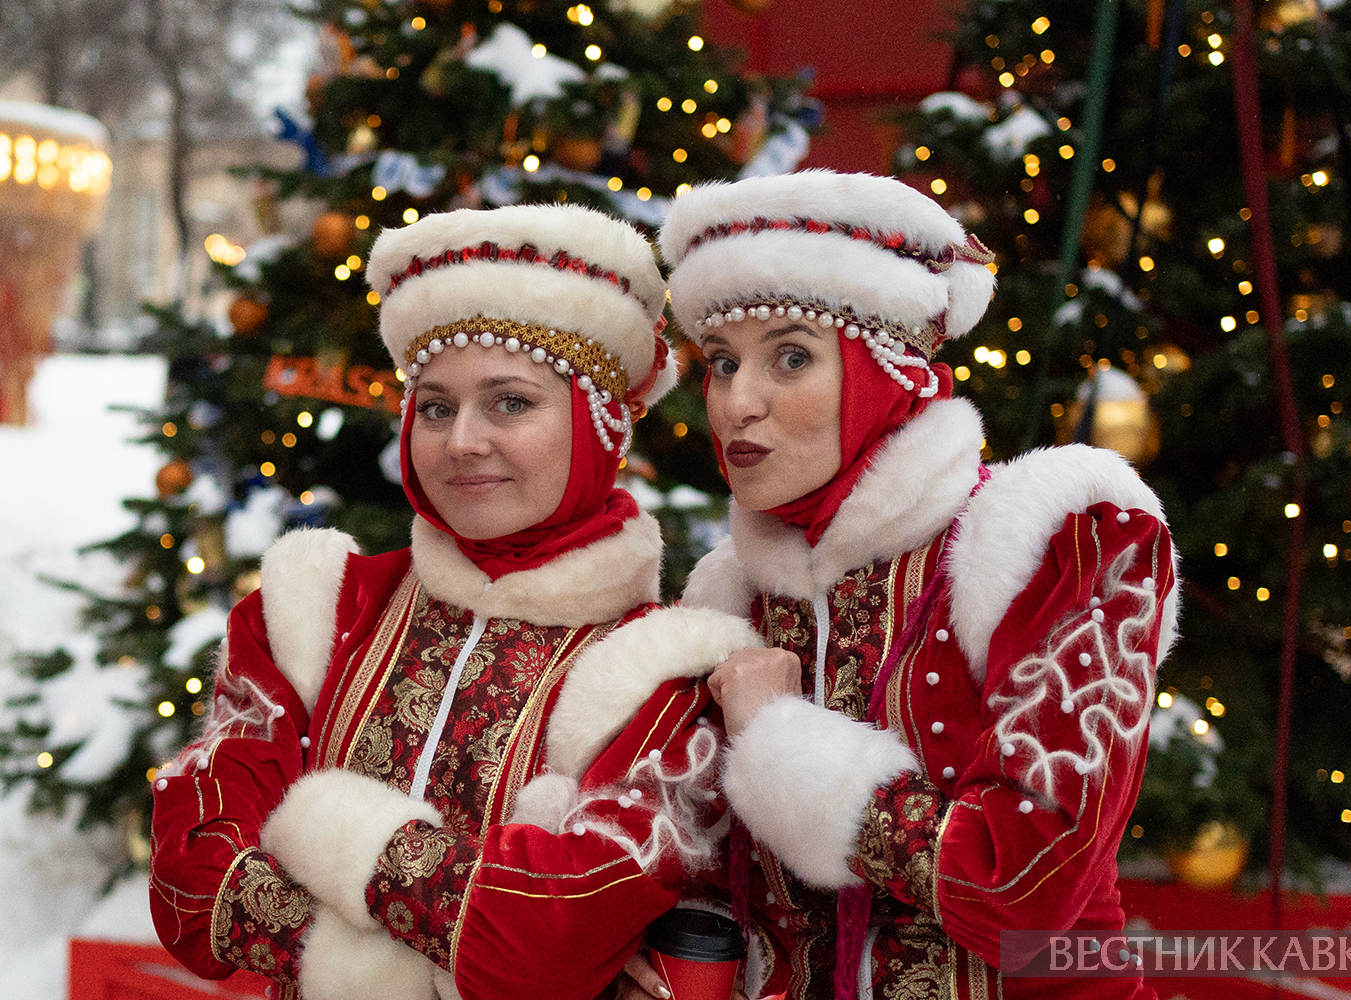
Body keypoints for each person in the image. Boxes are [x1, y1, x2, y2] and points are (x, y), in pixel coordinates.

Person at [149, 204, 762, 1000]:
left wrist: (326, 830)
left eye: (510, 402)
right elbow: (192, 883)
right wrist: (451, 951)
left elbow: (549, 936)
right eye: (436, 406)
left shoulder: (666, 674)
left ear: (600, 423)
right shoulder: (316, 610)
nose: (462, 441)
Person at [657, 171, 1180, 1000]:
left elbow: (1025, 893)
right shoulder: (730, 593)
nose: (737, 403)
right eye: (722, 362)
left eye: (790, 356)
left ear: (890, 370)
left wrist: (784, 746)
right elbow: (689, 863)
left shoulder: (1057, 540)